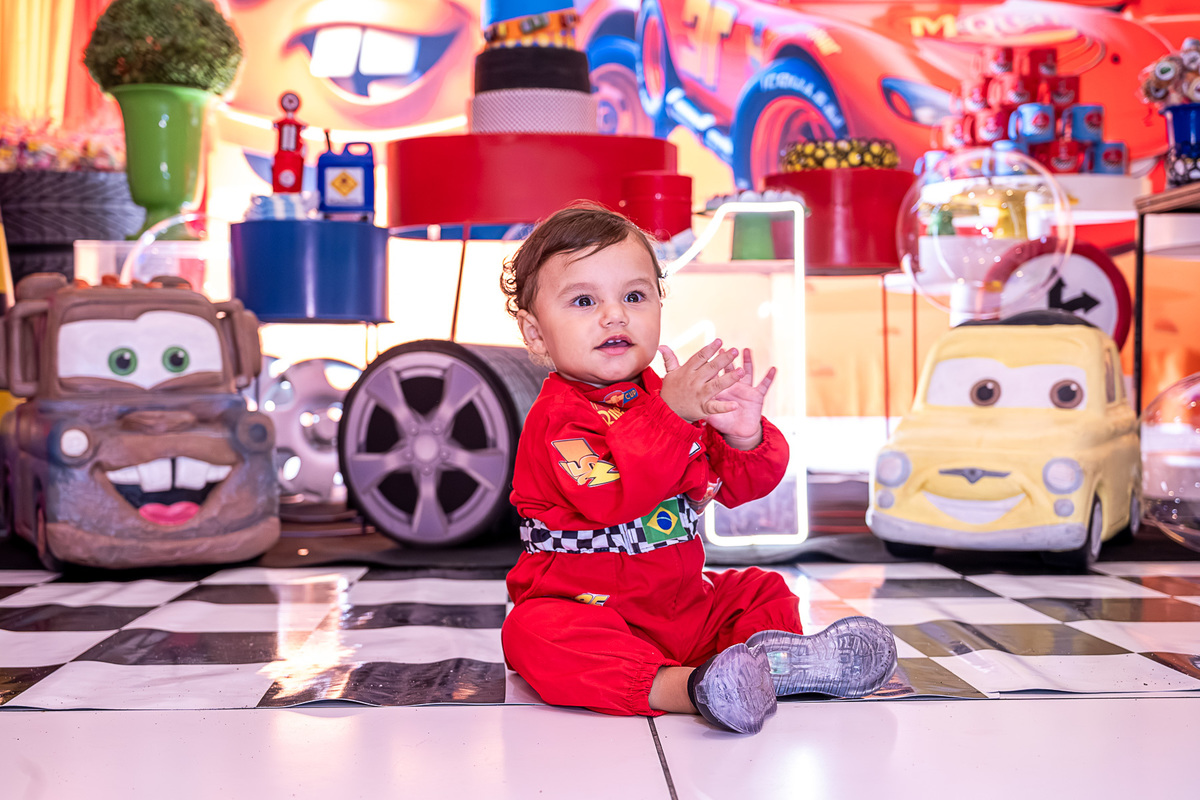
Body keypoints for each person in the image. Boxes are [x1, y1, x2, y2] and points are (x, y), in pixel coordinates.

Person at [499, 202, 897, 734]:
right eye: (584, 300)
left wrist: (743, 433)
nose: (615, 315)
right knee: (533, 632)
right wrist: (671, 415)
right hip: (589, 607)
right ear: (536, 334)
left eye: (634, 296)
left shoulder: (670, 398)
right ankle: (690, 688)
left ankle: (770, 666)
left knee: (759, 589)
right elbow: (610, 497)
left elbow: (738, 486)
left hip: (682, 605)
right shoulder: (558, 420)